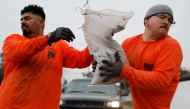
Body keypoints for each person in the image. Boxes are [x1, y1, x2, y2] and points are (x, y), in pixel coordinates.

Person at [0, 4, 93, 109]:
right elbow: (18, 52)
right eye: (21, 19)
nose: (22, 22)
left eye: (27, 18)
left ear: (41, 22)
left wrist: (98, 40)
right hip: (13, 106)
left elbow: (81, 60)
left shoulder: (59, 45)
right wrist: (48, 38)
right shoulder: (13, 40)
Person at [92, 4, 183, 109]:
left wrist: (123, 70)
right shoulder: (129, 43)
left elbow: (160, 81)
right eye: (162, 17)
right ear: (146, 21)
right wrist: (103, 66)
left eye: (170, 20)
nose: (167, 22)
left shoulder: (171, 46)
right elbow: (117, 67)